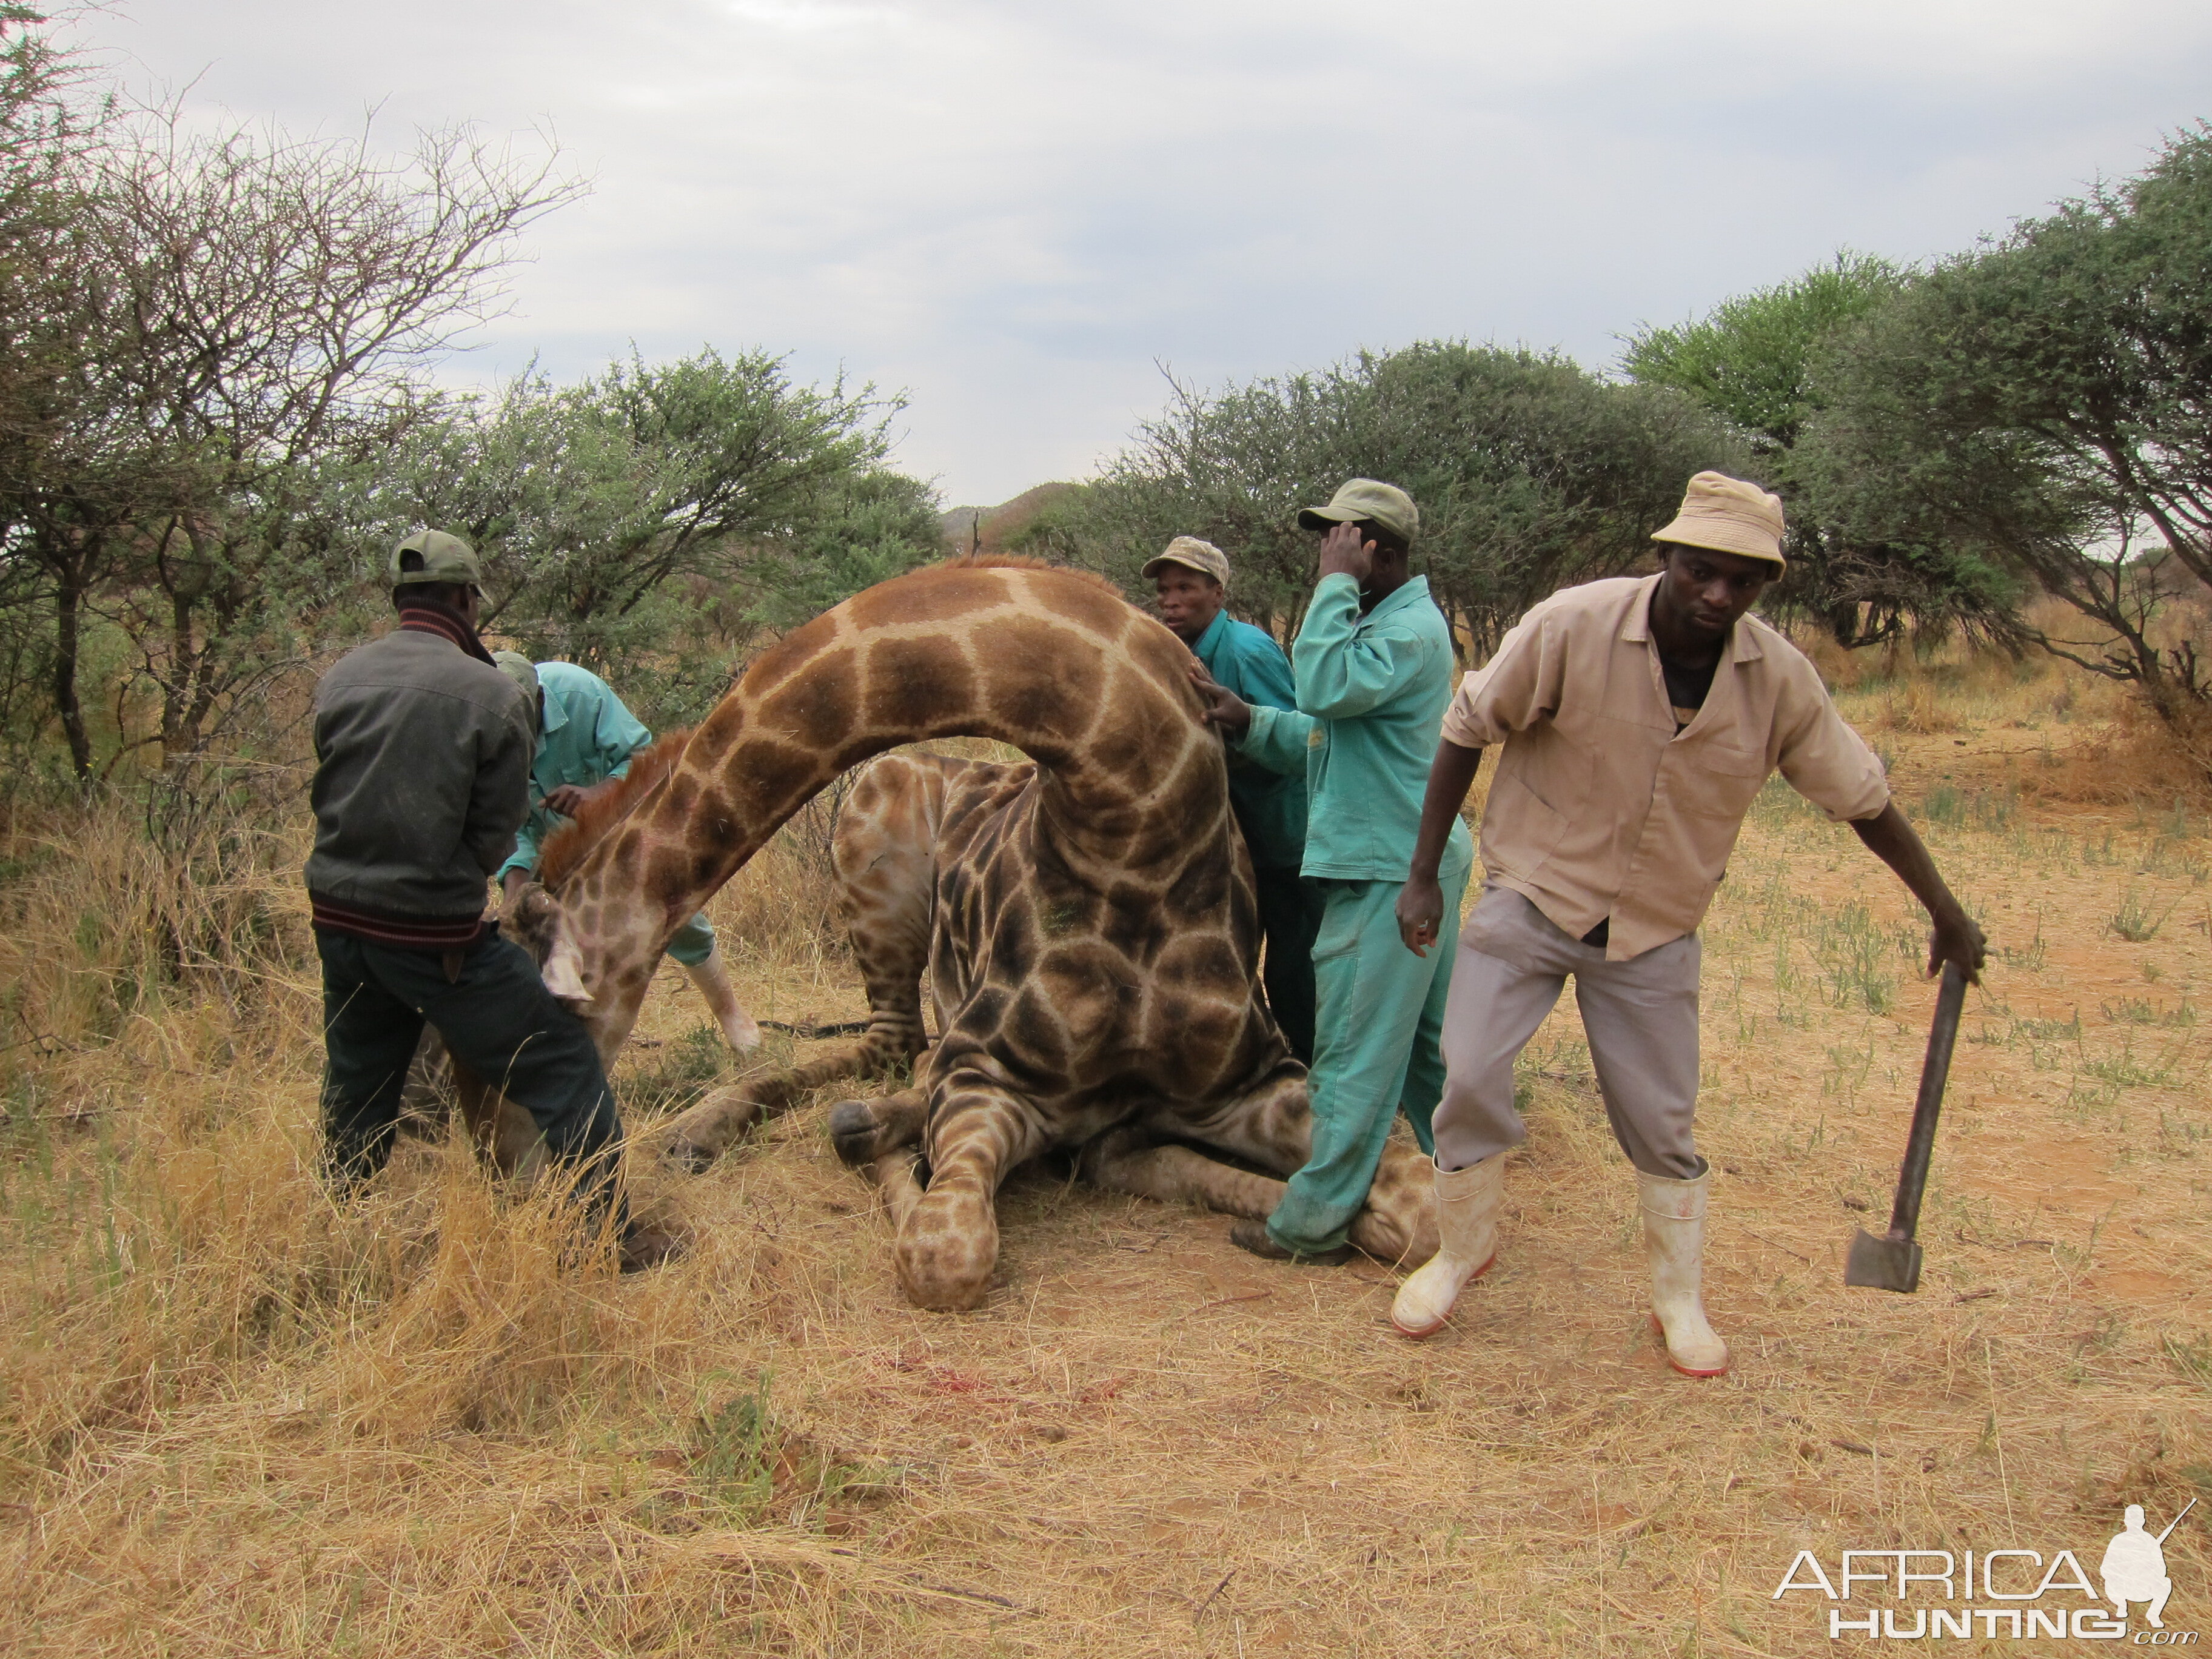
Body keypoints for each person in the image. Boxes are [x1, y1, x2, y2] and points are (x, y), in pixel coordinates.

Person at [1387, 472, 1985, 1372]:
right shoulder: (1570, 627)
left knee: (1662, 1120)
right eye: (1702, 571)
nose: (1719, 595)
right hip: (1534, 895)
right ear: (1665, 557)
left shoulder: (1777, 679)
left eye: (1744, 581)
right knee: (1467, 1076)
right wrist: (1423, 875)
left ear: (1764, 587)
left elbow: (1861, 797)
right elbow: (1469, 727)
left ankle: (1678, 1297)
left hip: (1654, 928)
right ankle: (1461, 1252)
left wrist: (1944, 908)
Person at [304, 529, 675, 1270]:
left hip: (336, 921)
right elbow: (493, 835)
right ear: (467, 600)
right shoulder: (494, 695)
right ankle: (606, 1240)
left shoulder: (342, 676)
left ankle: (335, 1234)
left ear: (401, 598)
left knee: (359, 1076)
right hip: (430, 936)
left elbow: (330, 784)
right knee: (565, 1065)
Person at [1190, 480, 1475, 1264]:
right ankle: (1471, 1201)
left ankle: (1309, 1227)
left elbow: (1322, 685)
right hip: (1407, 860)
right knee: (1423, 1055)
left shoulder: (1405, 630)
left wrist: (1332, 585)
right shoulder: (1392, 626)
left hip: (1388, 871)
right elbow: (1328, 729)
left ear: (1372, 547)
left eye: (1337, 540)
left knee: (1348, 1054)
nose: (1324, 550)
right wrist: (1249, 721)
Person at [491, 653, 760, 1053]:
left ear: (540, 699)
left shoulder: (578, 692)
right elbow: (509, 824)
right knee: (538, 943)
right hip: (549, 856)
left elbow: (641, 759)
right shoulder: (487, 726)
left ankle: (731, 1015)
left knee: (678, 917)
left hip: (621, 830)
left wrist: (596, 797)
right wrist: (517, 895)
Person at [1147, 535, 1322, 1063]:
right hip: (1240, 839)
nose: (1170, 600)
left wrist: (1239, 732)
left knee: (1297, 965)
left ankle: (1324, 1073)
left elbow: (1300, 743)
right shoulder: (1180, 653)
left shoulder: (1247, 651)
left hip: (1289, 836)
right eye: (1163, 590)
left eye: (1185, 588)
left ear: (1218, 594)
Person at [2100, 1505, 2175, 1627]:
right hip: (2123, 1588)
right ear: (2126, 1521)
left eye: (2137, 1520)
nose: (2134, 1523)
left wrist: (2145, 1571)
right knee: (2109, 1583)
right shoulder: (2118, 1540)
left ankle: (2153, 1614)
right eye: (2132, 1520)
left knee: (2166, 1583)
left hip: (2144, 1588)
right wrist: (2124, 1573)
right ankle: (2122, 1605)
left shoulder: (2150, 1541)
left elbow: (2161, 1569)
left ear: (2142, 1521)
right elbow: (2106, 1568)